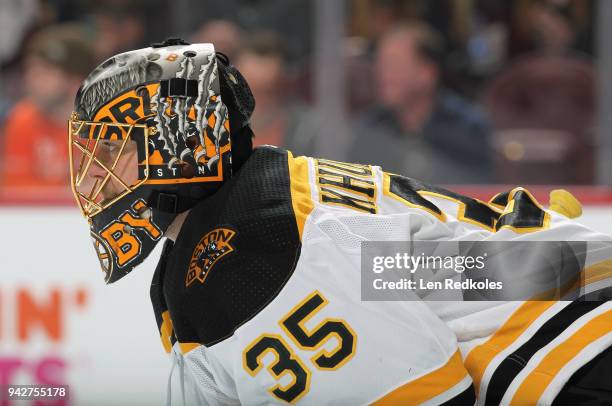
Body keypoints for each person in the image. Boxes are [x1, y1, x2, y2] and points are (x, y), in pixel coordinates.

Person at [68, 39, 611, 405]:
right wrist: (547, 260)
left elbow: (426, 394)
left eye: (113, 148)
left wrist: (551, 270)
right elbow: (408, 273)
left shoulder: (254, 251)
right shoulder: (239, 223)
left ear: (182, 142)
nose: (93, 177)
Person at [349, 22, 493, 184]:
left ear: (426, 74)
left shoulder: (468, 129)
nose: (382, 74)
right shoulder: (370, 127)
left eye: (394, 64)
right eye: (380, 65)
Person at [1, 23, 95, 190]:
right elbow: (15, 189)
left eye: (44, 71)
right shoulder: (23, 118)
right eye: (30, 69)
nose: (31, 78)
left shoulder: (110, 125)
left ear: (75, 81)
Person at [234, 32, 321, 157]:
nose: (256, 104)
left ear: (285, 86)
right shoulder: (214, 129)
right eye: (249, 92)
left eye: (268, 92)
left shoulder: (308, 131)